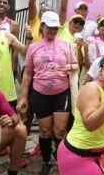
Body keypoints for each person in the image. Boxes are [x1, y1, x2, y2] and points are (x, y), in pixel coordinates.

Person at [17, 11, 79, 175]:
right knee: (44, 131)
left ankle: (61, 160)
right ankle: (46, 162)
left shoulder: (66, 44)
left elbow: (76, 65)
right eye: (49, 27)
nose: (52, 31)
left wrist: (69, 67)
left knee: (59, 130)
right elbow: (28, 73)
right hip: (40, 93)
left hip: (61, 92)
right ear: (42, 27)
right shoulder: (33, 47)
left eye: (55, 28)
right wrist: (23, 96)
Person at [80, 16, 104, 87]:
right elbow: (88, 65)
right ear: (98, 28)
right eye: (103, 24)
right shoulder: (92, 40)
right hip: (90, 79)